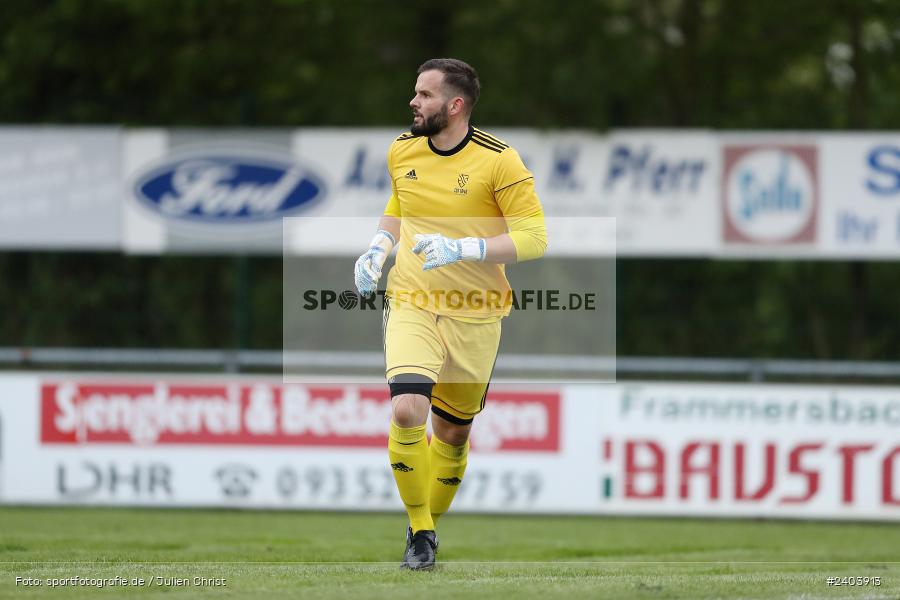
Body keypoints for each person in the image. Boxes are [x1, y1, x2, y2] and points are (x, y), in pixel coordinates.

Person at [353, 58, 547, 571]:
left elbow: (534, 237)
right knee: (406, 410)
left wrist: (467, 248)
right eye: (414, 93)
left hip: (476, 313)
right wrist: (379, 243)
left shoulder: (500, 161)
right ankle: (421, 532)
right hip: (413, 301)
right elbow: (401, 201)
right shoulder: (402, 149)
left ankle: (426, 526)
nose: (413, 102)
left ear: (455, 105)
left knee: (453, 433)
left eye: (424, 94)